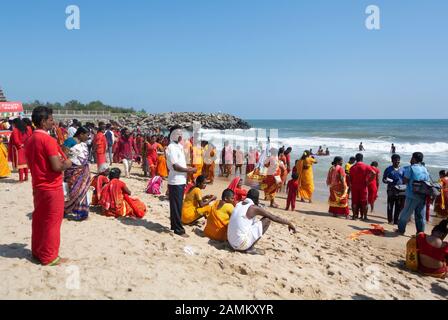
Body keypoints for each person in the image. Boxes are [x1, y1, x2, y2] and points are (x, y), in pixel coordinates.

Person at [26, 106, 72, 266]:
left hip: (38, 185)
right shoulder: (48, 140)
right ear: (43, 121)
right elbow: (56, 166)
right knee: (52, 221)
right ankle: (49, 256)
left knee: (39, 219)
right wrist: (67, 163)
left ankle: (37, 251)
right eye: (51, 120)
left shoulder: (31, 139)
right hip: (51, 187)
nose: (53, 123)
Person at [227, 189, 296, 252]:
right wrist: (289, 223)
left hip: (231, 242)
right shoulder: (253, 208)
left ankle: (245, 244)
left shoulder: (238, 204)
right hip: (241, 245)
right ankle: (250, 248)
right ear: (256, 199)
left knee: (252, 222)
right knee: (267, 219)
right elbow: (274, 217)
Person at [166, 126, 197, 237]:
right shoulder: (171, 147)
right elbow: (175, 166)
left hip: (181, 179)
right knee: (176, 205)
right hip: (175, 180)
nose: (181, 135)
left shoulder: (178, 146)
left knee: (177, 205)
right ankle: (178, 229)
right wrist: (189, 170)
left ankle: (175, 226)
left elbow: (181, 163)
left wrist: (188, 168)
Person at [397, 152, 430, 234]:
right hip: (423, 195)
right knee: (420, 216)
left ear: (414, 159)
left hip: (412, 195)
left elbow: (405, 180)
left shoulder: (411, 168)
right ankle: (420, 232)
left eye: (411, 158)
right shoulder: (424, 168)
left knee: (405, 213)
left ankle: (401, 230)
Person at [63, 127, 91, 221]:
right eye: (87, 135)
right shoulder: (69, 141)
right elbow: (64, 155)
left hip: (83, 171)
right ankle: (65, 209)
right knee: (72, 191)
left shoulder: (83, 144)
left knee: (82, 191)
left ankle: (81, 212)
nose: (88, 137)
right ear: (81, 134)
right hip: (72, 170)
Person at [349, 153, 375, 220]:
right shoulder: (366, 166)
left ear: (356, 159)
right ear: (362, 158)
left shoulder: (352, 167)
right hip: (363, 186)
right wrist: (369, 181)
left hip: (354, 186)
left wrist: (350, 185)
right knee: (364, 202)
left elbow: (350, 178)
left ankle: (354, 216)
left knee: (354, 201)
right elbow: (374, 173)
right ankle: (365, 217)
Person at [382, 154, 405, 224]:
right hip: (391, 190)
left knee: (398, 206)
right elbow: (384, 179)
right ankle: (390, 220)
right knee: (390, 205)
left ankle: (396, 220)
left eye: (398, 161)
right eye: (395, 161)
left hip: (400, 191)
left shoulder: (403, 170)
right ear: (392, 161)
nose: (397, 162)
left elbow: (405, 180)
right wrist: (386, 181)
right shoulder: (388, 169)